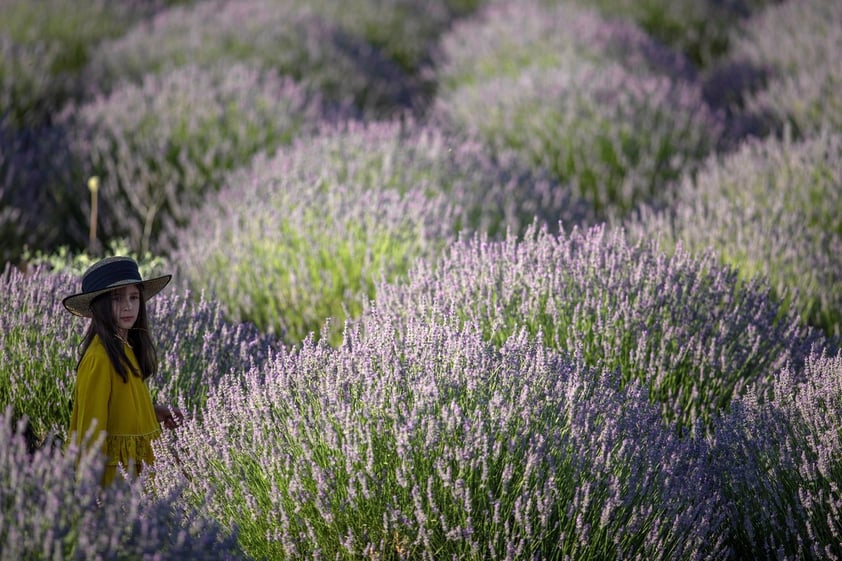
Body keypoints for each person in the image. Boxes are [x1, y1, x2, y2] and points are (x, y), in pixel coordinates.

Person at [63, 256, 183, 486]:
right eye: (117, 298)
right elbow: (91, 432)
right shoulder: (99, 359)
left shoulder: (125, 348)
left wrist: (155, 412)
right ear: (98, 306)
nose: (128, 306)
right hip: (116, 481)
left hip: (138, 474)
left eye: (134, 297)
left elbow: (121, 406)